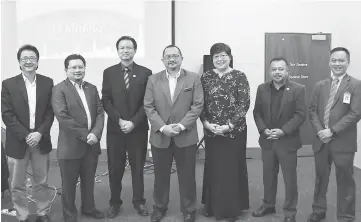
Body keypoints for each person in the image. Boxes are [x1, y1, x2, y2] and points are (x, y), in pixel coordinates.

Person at [144, 45, 203, 222]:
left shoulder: (193, 79)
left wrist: (181, 126)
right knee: (160, 176)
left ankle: (189, 209)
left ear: (181, 58)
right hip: (160, 136)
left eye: (175, 56)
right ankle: (159, 207)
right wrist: (163, 127)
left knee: (187, 176)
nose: (172, 59)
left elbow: (197, 105)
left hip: (186, 136)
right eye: (168, 56)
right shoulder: (152, 80)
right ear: (162, 60)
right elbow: (148, 106)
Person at [1, 44, 54, 222]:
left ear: (37, 61)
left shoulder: (47, 82)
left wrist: (39, 133)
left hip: (40, 139)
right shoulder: (8, 84)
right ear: (19, 62)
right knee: (17, 184)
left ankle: (42, 212)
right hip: (17, 140)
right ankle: (22, 215)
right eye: (24, 58)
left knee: (42, 181)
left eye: (32, 58)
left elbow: (50, 112)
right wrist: (26, 135)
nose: (28, 61)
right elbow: (7, 114)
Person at [308, 47, 361, 222]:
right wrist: (320, 131)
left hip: (343, 143)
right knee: (320, 179)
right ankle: (318, 210)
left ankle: (345, 216)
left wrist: (332, 131)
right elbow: (313, 111)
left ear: (348, 63)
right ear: (329, 62)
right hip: (321, 141)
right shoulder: (320, 85)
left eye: (341, 60)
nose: (337, 63)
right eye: (334, 60)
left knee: (345, 181)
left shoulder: (355, 84)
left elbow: (355, 114)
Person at [101, 36, 152, 218]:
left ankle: (139, 201)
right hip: (116, 129)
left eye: (129, 47)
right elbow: (105, 99)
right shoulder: (109, 72)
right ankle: (115, 202)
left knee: (138, 167)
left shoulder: (146, 73)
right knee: (115, 168)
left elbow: (148, 102)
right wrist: (120, 120)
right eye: (122, 48)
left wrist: (133, 122)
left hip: (137, 129)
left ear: (135, 50)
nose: (125, 50)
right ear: (117, 51)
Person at [199, 43, 250, 222]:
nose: (220, 59)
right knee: (214, 168)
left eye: (223, 56)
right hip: (212, 132)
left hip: (234, 132)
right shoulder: (205, 77)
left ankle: (231, 209)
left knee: (231, 168)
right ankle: (212, 206)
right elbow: (200, 104)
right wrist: (206, 123)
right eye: (216, 57)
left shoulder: (239, 76)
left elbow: (244, 104)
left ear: (229, 57)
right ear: (212, 59)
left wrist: (229, 125)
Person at [52, 54, 105, 222]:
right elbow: (63, 117)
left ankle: (89, 208)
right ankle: (69, 214)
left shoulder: (91, 88)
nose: (77, 70)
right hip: (70, 146)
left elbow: (99, 113)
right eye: (73, 67)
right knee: (69, 184)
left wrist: (95, 134)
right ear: (66, 70)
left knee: (88, 180)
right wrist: (86, 135)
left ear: (84, 68)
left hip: (91, 144)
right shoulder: (59, 89)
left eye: (80, 67)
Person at [253, 57, 306, 222]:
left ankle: (290, 212)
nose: (277, 72)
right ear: (270, 71)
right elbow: (257, 112)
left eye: (280, 69)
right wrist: (263, 130)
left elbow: (300, 114)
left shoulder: (298, 89)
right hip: (268, 140)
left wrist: (283, 131)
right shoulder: (262, 89)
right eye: (274, 69)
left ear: (287, 71)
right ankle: (268, 205)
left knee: (289, 179)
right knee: (268, 176)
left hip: (287, 141)